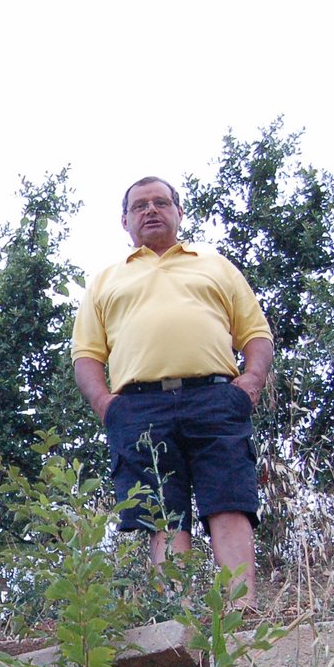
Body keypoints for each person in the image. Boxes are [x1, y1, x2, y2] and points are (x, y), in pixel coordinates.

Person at [71, 176, 274, 610]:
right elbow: (86, 353)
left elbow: (255, 332)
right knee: (162, 512)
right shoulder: (107, 279)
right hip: (139, 406)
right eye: (139, 205)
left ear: (179, 213)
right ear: (124, 220)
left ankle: (242, 612)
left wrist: (250, 383)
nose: (150, 211)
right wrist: (106, 406)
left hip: (216, 398)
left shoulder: (215, 265)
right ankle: (176, 618)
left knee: (230, 502)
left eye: (161, 202)